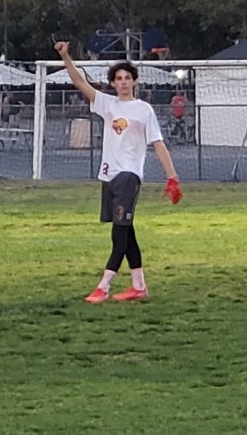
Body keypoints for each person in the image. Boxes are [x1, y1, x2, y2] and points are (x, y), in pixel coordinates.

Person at [53, 40, 181, 303]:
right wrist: (66, 57)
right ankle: (139, 286)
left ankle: (104, 285)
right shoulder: (108, 104)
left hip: (129, 176)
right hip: (109, 176)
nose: (123, 82)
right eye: (118, 78)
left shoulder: (143, 110)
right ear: (113, 83)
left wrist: (172, 177)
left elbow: (158, 144)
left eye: (127, 78)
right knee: (127, 230)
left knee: (118, 234)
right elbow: (80, 83)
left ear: (134, 81)